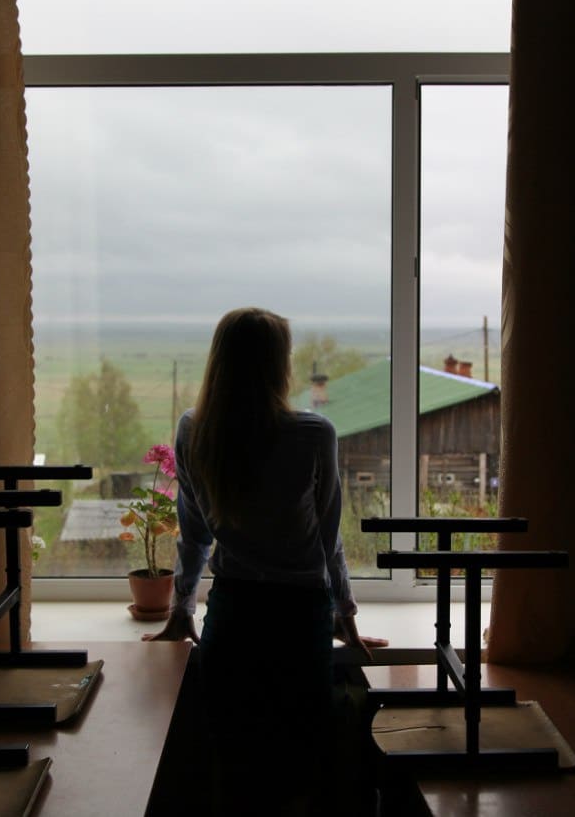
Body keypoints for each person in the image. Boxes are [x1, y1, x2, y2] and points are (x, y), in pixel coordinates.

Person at [144, 307, 384, 816]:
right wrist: (344, 613)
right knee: (299, 775)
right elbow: (328, 539)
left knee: (234, 774)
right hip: (299, 619)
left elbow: (193, 534)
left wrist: (181, 609)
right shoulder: (313, 433)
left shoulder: (195, 429)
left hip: (233, 618)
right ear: (279, 364)